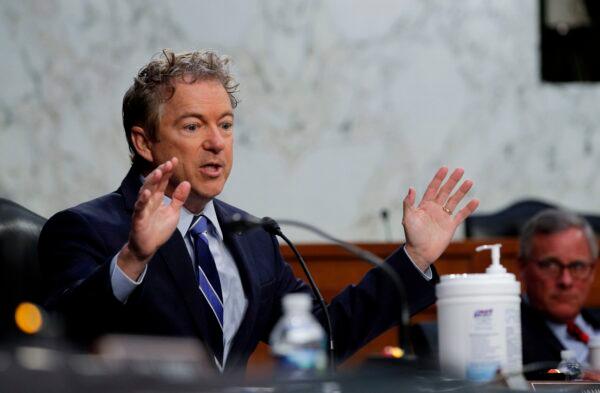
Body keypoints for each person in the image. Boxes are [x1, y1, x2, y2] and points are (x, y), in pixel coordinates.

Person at [38, 50, 479, 372]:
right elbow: (61, 338)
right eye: (193, 126)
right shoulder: (85, 229)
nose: (216, 142)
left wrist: (415, 258)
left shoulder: (250, 236)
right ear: (144, 142)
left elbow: (326, 338)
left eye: (225, 125)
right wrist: (133, 258)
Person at [519, 209, 600, 371]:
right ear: (523, 267)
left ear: (592, 271)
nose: (566, 281)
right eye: (550, 265)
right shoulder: (506, 338)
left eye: (577, 266)